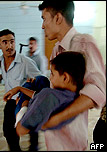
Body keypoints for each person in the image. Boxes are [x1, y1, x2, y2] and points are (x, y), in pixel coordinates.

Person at [37, 1, 106, 150]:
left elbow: (98, 90)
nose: (42, 26)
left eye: (44, 18)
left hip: (72, 140)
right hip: (55, 138)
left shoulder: (84, 43)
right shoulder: (57, 49)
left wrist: (57, 118)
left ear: (58, 18)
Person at [4, 51, 87, 150]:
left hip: (56, 145)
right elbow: (40, 97)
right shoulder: (79, 97)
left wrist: (24, 107)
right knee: (39, 80)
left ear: (65, 77)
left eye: (52, 74)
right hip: (78, 144)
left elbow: (21, 129)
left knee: (40, 81)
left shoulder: (48, 95)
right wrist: (19, 88)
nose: (51, 78)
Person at [0, 29, 42, 151]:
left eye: (12, 42)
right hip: (11, 102)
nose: (9, 46)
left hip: (25, 102)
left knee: (32, 130)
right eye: (5, 42)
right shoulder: (0, 61)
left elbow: (41, 81)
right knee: (8, 132)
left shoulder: (26, 62)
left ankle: (34, 148)